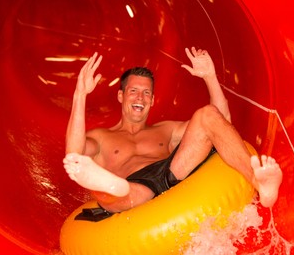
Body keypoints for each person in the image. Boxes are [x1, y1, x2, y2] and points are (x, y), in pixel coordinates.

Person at [63, 47, 282, 213]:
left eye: (146, 93)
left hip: (170, 173)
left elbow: (221, 123)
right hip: (131, 187)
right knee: (119, 187)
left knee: (207, 113)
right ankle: (109, 187)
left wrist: (210, 77)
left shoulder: (165, 130)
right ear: (120, 96)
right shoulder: (101, 138)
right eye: (133, 91)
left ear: (152, 100)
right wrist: (79, 94)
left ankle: (260, 183)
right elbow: (73, 155)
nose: (140, 97)